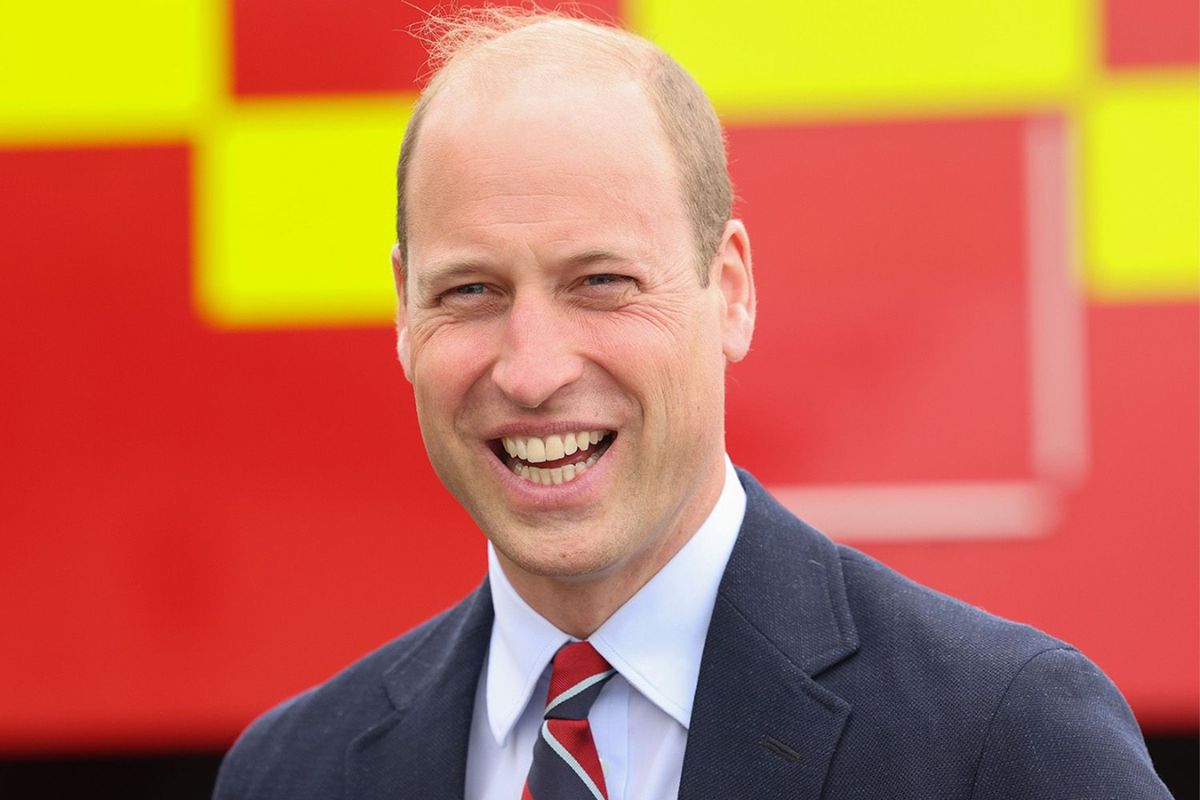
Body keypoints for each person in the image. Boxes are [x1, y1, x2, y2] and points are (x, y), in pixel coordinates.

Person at [214, 8, 1169, 799]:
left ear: (734, 291)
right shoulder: (291, 775)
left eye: (601, 282)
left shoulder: (1006, 743)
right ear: (403, 313)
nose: (534, 369)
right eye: (472, 291)